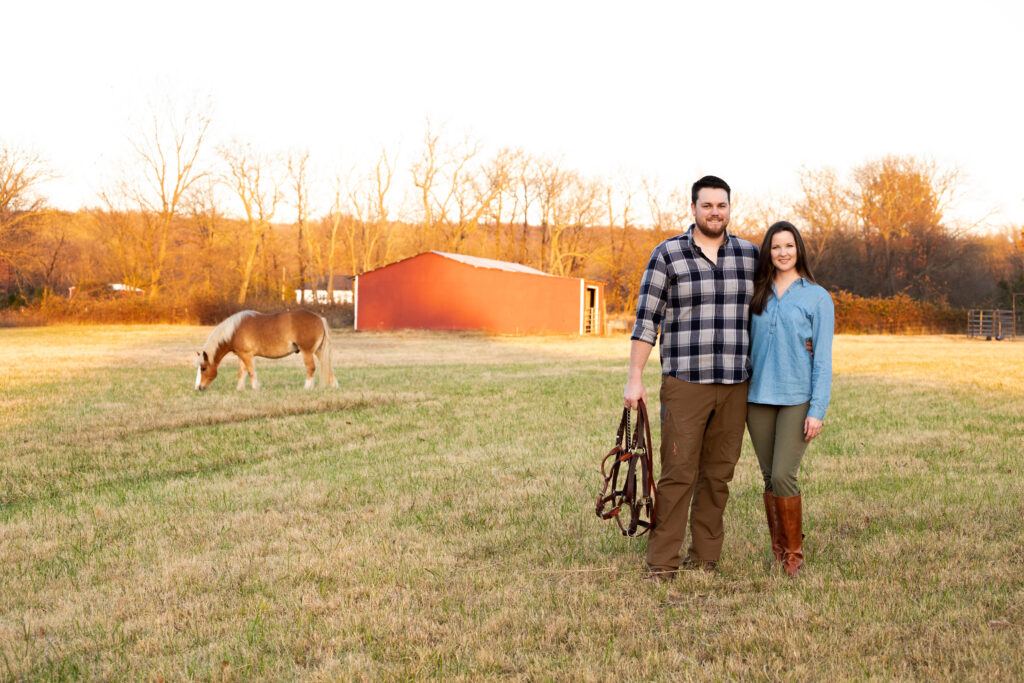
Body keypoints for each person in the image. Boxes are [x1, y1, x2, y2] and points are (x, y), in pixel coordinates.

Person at [624, 175, 758, 580]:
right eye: (707, 206)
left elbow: (773, 308)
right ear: (693, 208)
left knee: (718, 474)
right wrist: (634, 377)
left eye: (722, 205)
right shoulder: (667, 255)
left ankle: (705, 556)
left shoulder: (750, 256)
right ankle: (662, 561)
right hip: (686, 383)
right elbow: (647, 319)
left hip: (736, 384)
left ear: (730, 208)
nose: (715, 212)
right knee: (679, 472)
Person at [746, 220, 834, 577]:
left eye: (789, 246)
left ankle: (794, 557)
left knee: (784, 474)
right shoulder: (757, 292)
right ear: (768, 251)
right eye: (776, 246)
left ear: (799, 250)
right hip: (757, 398)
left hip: (797, 397)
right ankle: (779, 551)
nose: (782, 253)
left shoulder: (817, 296)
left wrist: (817, 409)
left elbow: (823, 358)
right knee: (769, 478)